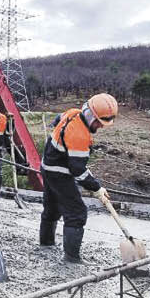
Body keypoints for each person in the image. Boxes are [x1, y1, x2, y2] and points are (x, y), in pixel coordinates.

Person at [40, 94, 119, 264]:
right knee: (77, 213)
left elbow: (57, 120)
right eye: (98, 122)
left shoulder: (73, 113)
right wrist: (97, 188)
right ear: (91, 115)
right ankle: (71, 258)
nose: (100, 127)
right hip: (59, 172)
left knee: (52, 208)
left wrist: (61, 141)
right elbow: (78, 171)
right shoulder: (80, 136)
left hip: (47, 166)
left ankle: (45, 244)